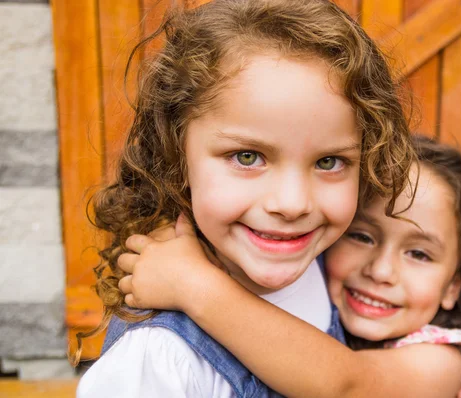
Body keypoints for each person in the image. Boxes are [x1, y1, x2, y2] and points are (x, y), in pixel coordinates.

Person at [75, 0, 414, 396]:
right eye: (247, 157)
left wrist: (196, 286)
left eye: (329, 161)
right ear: (175, 155)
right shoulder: (158, 358)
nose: (292, 203)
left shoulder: (332, 266)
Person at [117, 135, 461, 398]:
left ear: (455, 284)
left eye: (419, 254)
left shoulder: (441, 363)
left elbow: (346, 384)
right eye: (362, 236)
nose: (381, 271)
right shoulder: (318, 307)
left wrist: (192, 284)